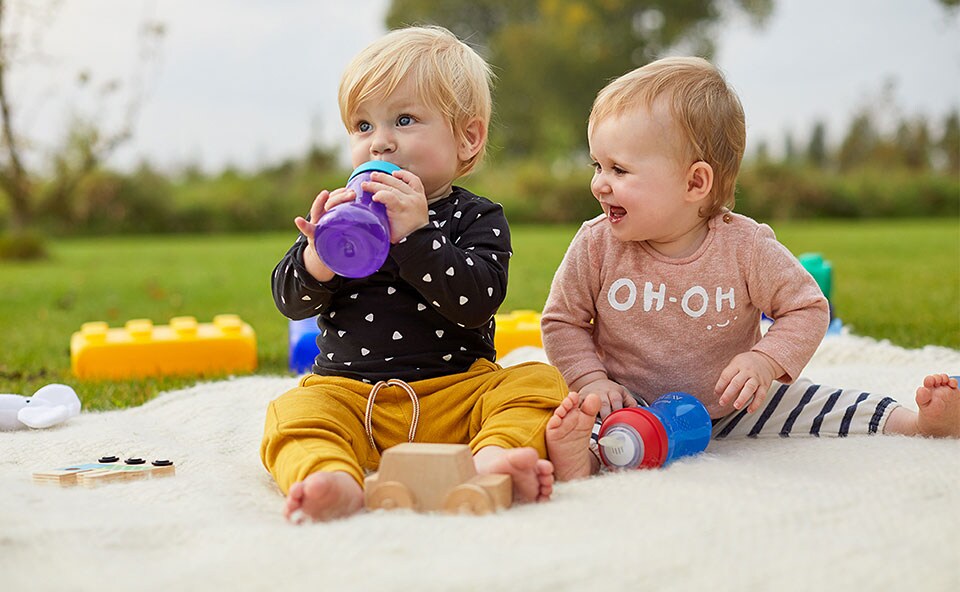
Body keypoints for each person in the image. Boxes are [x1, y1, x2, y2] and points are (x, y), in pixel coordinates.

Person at [541, 56, 960, 480]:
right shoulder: (596, 244)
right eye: (597, 165)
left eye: (619, 169)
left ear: (694, 183)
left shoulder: (745, 246)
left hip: (734, 405)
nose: (599, 183)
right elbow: (561, 320)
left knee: (827, 404)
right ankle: (587, 458)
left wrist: (763, 361)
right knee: (582, 420)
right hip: (630, 406)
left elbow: (808, 308)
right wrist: (592, 380)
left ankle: (916, 424)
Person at [261, 26, 566, 521]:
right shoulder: (342, 217)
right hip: (352, 396)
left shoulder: (476, 217)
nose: (380, 142)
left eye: (404, 120)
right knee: (291, 412)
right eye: (362, 126)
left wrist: (417, 237)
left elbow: (477, 301)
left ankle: (491, 460)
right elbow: (290, 301)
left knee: (538, 382)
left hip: (458, 396)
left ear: (468, 137)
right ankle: (330, 476)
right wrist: (318, 257)